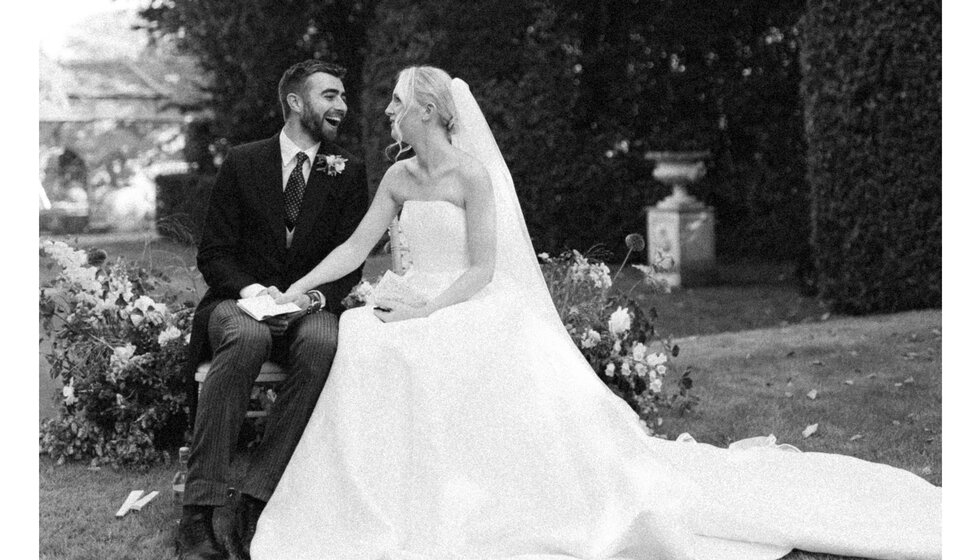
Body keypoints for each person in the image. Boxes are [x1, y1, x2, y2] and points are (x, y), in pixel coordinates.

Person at [251, 66, 940, 560]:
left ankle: (471, 502)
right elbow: (352, 248)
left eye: (399, 103)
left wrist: (428, 308)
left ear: (428, 111)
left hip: (461, 300)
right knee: (366, 344)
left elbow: (485, 271)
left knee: (430, 347)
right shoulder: (400, 177)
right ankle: (378, 506)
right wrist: (296, 289)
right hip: (414, 301)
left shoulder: (473, 177)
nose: (389, 113)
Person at [175, 60, 369, 560]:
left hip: (310, 306)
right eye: (330, 95)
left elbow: (350, 262)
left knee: (326, 340)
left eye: (344, 96)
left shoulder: (349, 172)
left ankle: (258, 499)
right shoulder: (242, 162)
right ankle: (198, 515)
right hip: (237, 303)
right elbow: (213, 253)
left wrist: (310, 299)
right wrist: (256, 295)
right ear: (296, 102)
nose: (341, 106)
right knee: (249, 337)